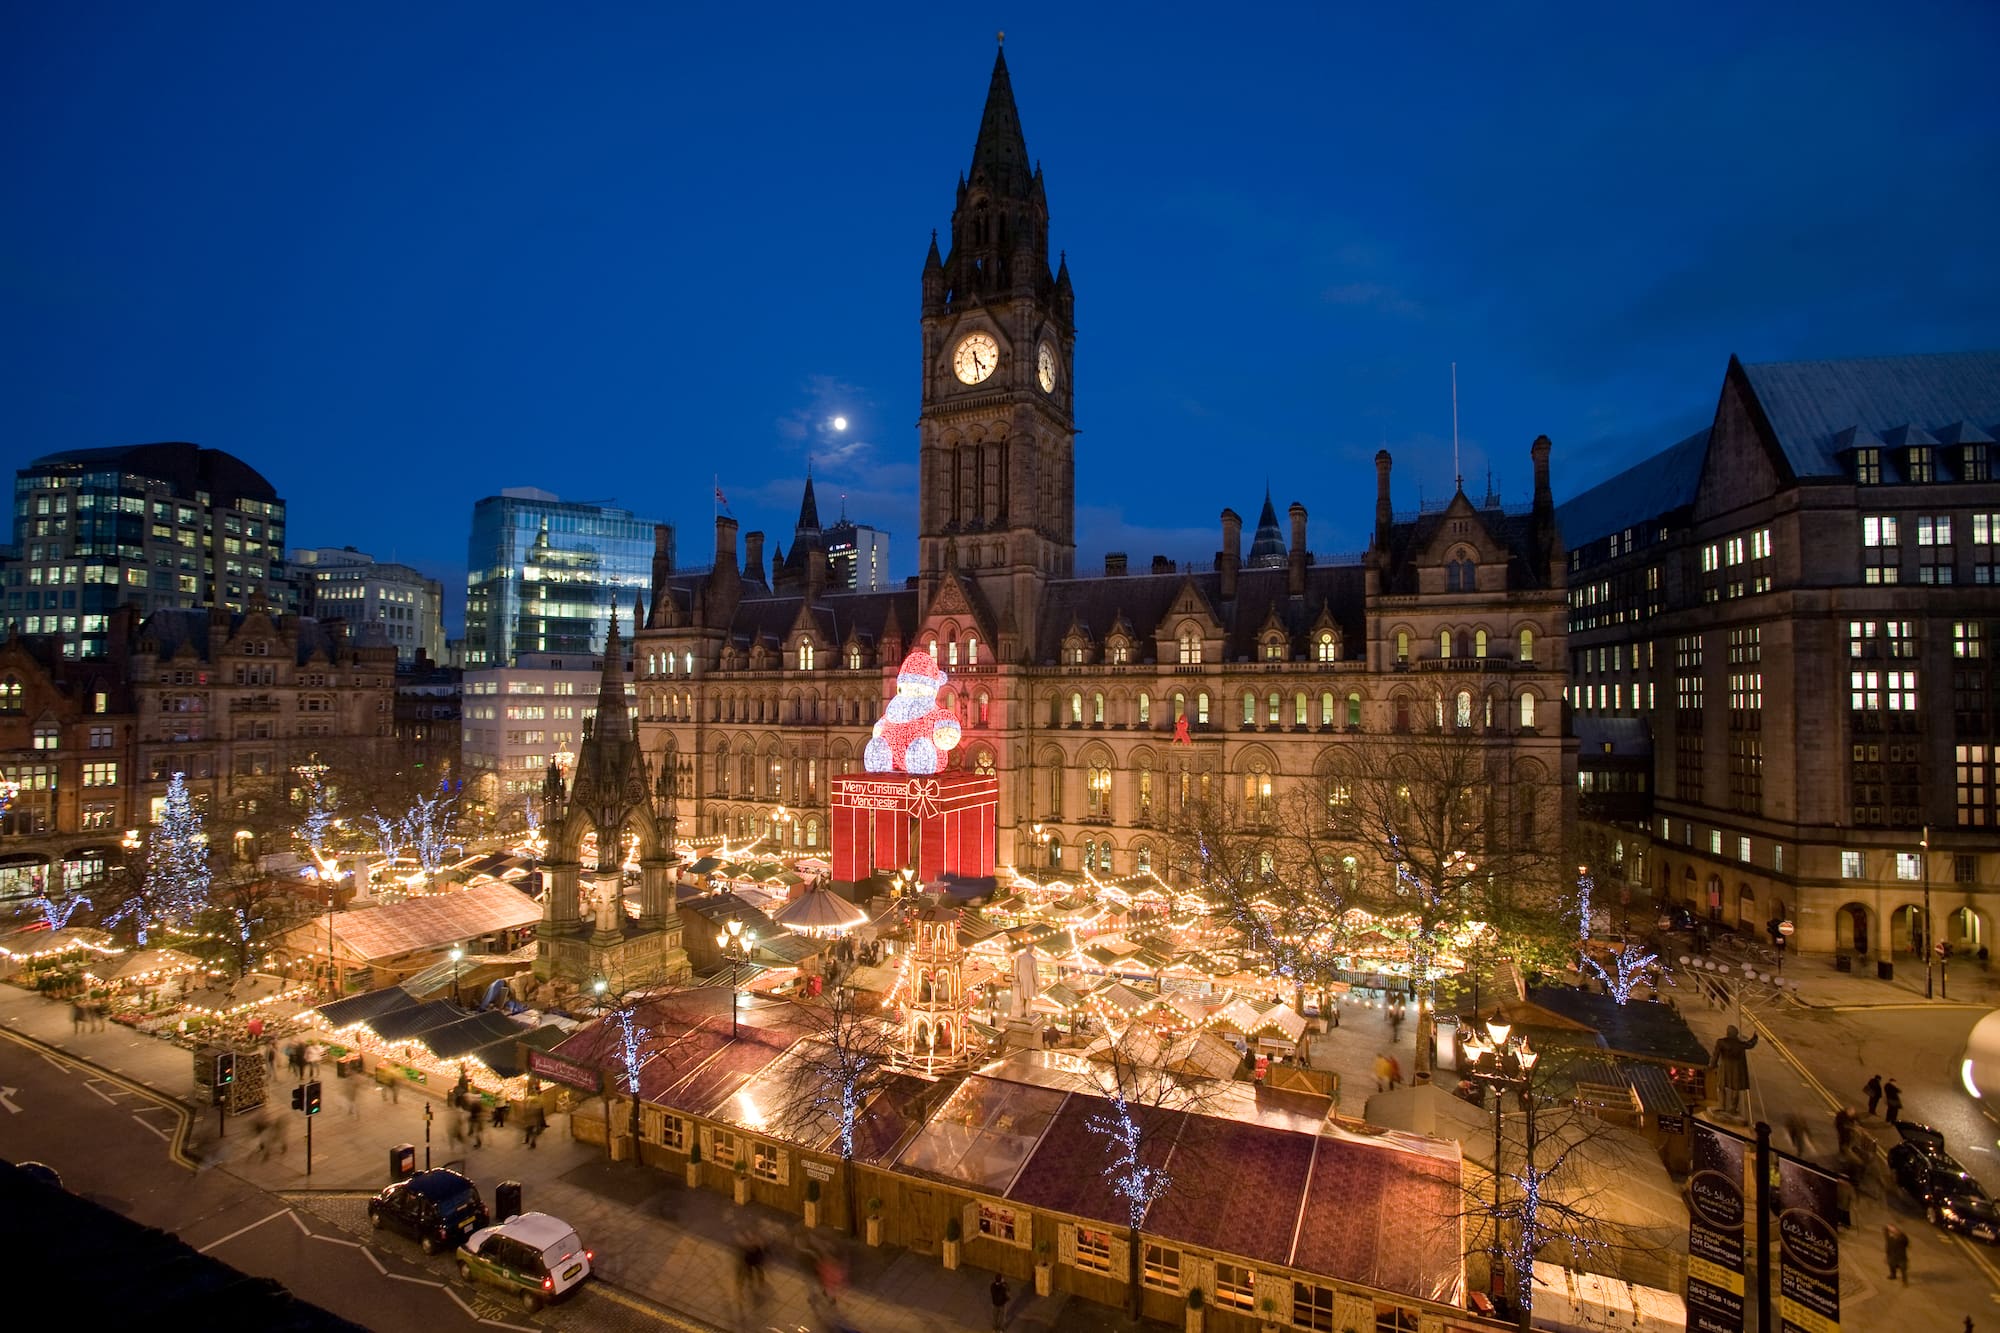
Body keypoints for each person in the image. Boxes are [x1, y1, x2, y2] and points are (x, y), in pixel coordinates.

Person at [1709, 1026, 1759, 1118]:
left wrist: (1711, 1066)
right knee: (1735, 1089)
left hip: (1724, 1068)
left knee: (1721, 1086)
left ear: (1728, 1033)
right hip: (1736, 1070)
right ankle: (1732, 1109)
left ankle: (1721, 1106)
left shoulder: (1721, 1042)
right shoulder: (1740, 1044)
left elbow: (1715, 1055)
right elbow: (1750, 1044)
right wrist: (1755, 1037)